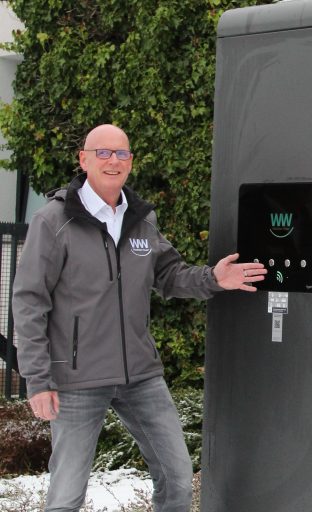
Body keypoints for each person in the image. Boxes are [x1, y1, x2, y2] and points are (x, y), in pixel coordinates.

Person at [13, 124, 267, 512]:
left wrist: (215, 278)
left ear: (131, 162)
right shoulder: (53, 222)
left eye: (122, 154)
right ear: (83, 159)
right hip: (76, 378)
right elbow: (30, 300)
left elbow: (169, 275)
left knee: (179, 477)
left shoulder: (141, 221)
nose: (113, 161)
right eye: (103, 153)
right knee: (66, 495)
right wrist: (37, 380)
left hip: (140, 375)